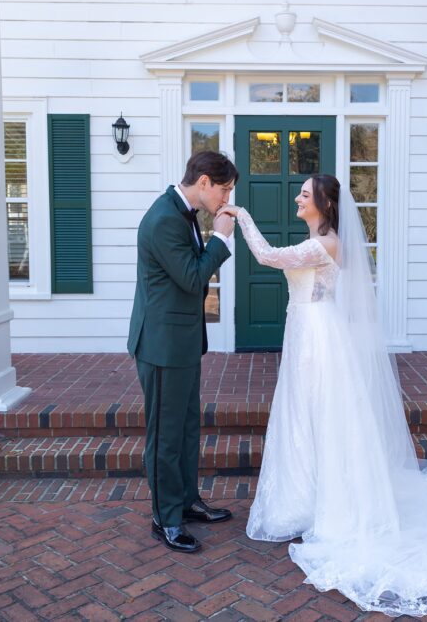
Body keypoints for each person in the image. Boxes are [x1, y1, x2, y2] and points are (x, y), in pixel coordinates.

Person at [222, 175, 427, 617]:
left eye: (304, 193)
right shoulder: (317, 237)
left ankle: (333, 504)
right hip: (304, 333)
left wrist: (239, 215)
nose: (297, 197)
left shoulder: (329, 243)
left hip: (320, 339)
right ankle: (304, 499)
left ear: (324, 203)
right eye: (298, 191)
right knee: (303, 415)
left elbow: (267, 256)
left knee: (324, 415)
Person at [128, 151, 239, 554]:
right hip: (161, 345)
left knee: (188, 427)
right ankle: (165, 518)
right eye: (224, 189)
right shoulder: (163, 219)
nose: (226, 198)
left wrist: (213, 235)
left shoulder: (184, 212)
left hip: (183, 342)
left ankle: (186, 500)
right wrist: (222, 238)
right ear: (205, 181)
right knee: (166, 435)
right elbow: (193, 278)